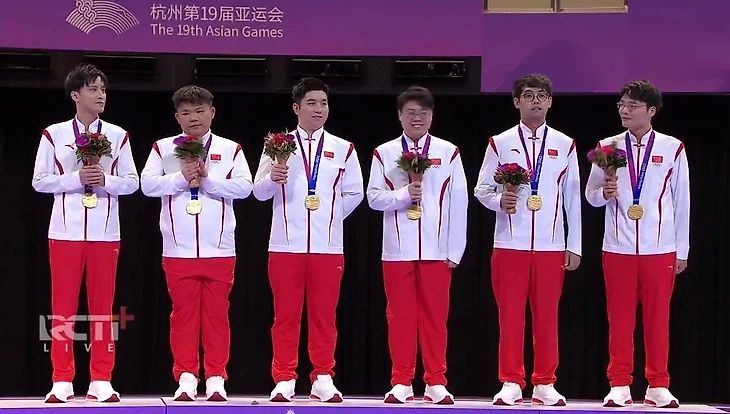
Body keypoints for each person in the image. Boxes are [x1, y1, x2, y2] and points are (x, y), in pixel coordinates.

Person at [32, 63, 139, 403]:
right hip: (65, 232)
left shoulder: (118, 135)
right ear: (76, 95)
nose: (101, 95)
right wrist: (74, 179)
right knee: (62, 307)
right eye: (93, 89)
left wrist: (105, 180)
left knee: (103, 308)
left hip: (106, 234)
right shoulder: (54, 134)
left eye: (103, 89)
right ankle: (62, 379)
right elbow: (39, 181)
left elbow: (133, 183)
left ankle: (101, 379)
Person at [253, 77, 364, 403]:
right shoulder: (277, 144)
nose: (318, 109)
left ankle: (323, 377)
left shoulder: (343, 148)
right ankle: (284, 377)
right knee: (285, 317)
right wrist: (272, 179)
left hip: (327, 248)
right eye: (312, 103)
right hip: (285, 246)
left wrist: (328, 217)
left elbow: (355, 193)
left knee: (324, 317)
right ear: (296, 107)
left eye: (323, 103)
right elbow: (258, 192)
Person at [474, 74, 582, 406]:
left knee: (547, 316)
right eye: (529, 95)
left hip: (551, 245)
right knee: (510, 315)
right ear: (516, 102)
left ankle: (545, 382)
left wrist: (574, 244)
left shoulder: (565, 144)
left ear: (550, 102)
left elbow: (572, 197)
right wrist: (498, 201)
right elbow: (481, 189)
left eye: (541, 96)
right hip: (510, 243)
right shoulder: (500, 142)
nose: (535, 101)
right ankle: (510, 380)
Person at [140, 85, 253, 402]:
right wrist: (180, 178)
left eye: (200, 111)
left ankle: (216, 377)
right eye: (186, 112)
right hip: (178, 250)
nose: (194, 118)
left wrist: (208, 180)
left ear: (212, 113)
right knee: (183, 317)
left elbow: (245, 187)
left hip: (220, 249)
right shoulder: (163, 149)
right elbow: (146, 185)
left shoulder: (230, 149)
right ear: (177, 117)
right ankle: (186, 377)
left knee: (217, 317)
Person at [585, 80, 688, 408]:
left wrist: (682, 249)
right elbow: (591, 195)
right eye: (621, 105)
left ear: (651, 111)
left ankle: (658, 384)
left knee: (658, 319)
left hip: (661, 248)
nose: (625, 110)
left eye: (632, 106)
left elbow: (681, 200)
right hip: (618, 247)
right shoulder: (608, 147)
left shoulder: (673, 148)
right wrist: (605, 193)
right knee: (619, 318)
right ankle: (619, 383)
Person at [366, 86, 467, 405]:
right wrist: (403, 195)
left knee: (435, 318)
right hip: (397, 250)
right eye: (410, 112)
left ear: (432, 116)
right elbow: (373, 198)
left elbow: (459, 202)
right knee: (399, 317)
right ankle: (401, 380)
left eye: (423, 113)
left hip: (437, 250)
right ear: (399, 116)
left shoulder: (448, 152)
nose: (417, 118)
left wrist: (455, 249)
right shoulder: (384, 153)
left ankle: (436, 380)